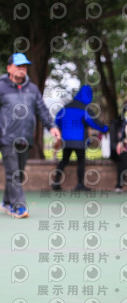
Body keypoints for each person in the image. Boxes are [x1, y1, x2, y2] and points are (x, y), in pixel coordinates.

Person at [0, 53, 61, 218]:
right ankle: (19, 207)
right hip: (6, 138)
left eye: (24, 66)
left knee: (18, 173)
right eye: (18, 66)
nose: (22, 69)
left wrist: (52, 127)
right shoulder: (1, 87)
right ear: (9, 68)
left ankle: (6, 202)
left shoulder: (32, 89)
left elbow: (42, 110)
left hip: (25, 138)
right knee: (13, 172)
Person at [52, 85, 108, 191]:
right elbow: (94, 122)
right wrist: (105, 129)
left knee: (64, 160)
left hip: (66, 140)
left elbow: (57, 119)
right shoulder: (85, 108)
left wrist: (63, 128)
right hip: (79, 140)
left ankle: (56, 182)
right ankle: (79, 185)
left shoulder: (66, 107)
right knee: (81, 162)